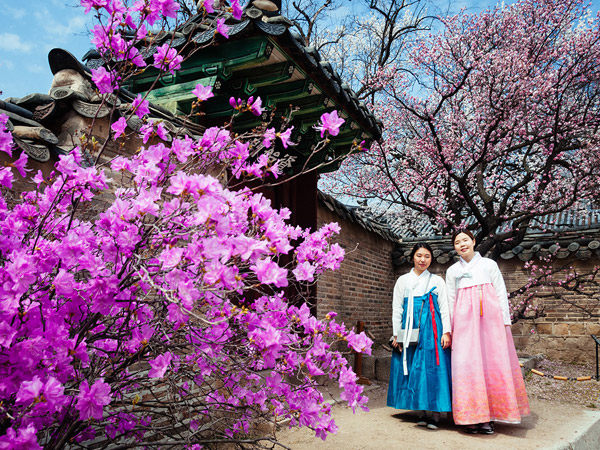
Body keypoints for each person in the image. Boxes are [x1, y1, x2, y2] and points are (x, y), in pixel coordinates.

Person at [446, 229, 530, 434]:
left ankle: (490, 416)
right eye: (457, 242)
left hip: (490, 322)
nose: (462, 244)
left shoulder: (489, 265)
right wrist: (448, 329)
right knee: (466, 365)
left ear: (474, 241)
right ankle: (470, 416)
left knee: (490, 363)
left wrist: (504, 322)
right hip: (464, 324)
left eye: (465, 240)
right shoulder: (452, 271)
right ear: (454, 247)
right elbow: (449, 301)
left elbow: (501, 292)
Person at [387, 243, 452, 430]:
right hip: (409, 329)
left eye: (427, 256)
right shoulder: (402, 281)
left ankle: (436, 414)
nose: (423, 260)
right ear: (412, 257)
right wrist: (396, 334)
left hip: (432, 328)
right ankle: (421, 412)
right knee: (413, 366)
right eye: (419, 255)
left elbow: (445, 308)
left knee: (431, 367)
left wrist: (446, 331)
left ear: (431, 259)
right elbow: (397, 309)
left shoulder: (437, 281)